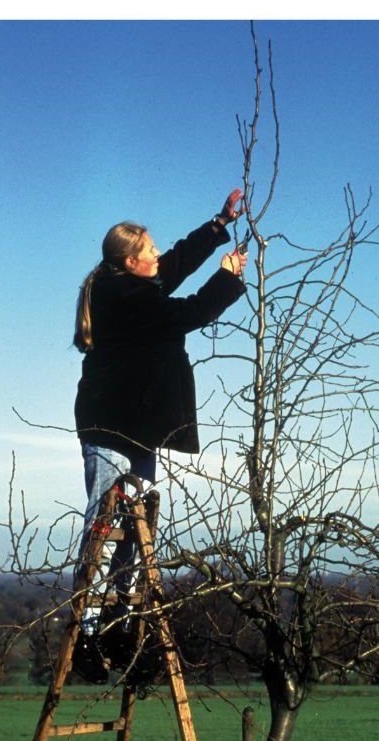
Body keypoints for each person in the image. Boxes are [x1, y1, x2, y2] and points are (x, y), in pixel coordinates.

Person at [69, 188, 248, 681]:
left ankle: (120, 624)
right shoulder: (122, 297)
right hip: (111, 429)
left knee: (137, 530)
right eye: (150, 251)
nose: (158, 256)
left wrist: (218, 225)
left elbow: (173, 266)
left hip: (137, 429)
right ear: (131, 261)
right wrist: (227, 278)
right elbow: (186, 313)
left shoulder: (129, 283)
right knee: (104, 534)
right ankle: (86, 632)